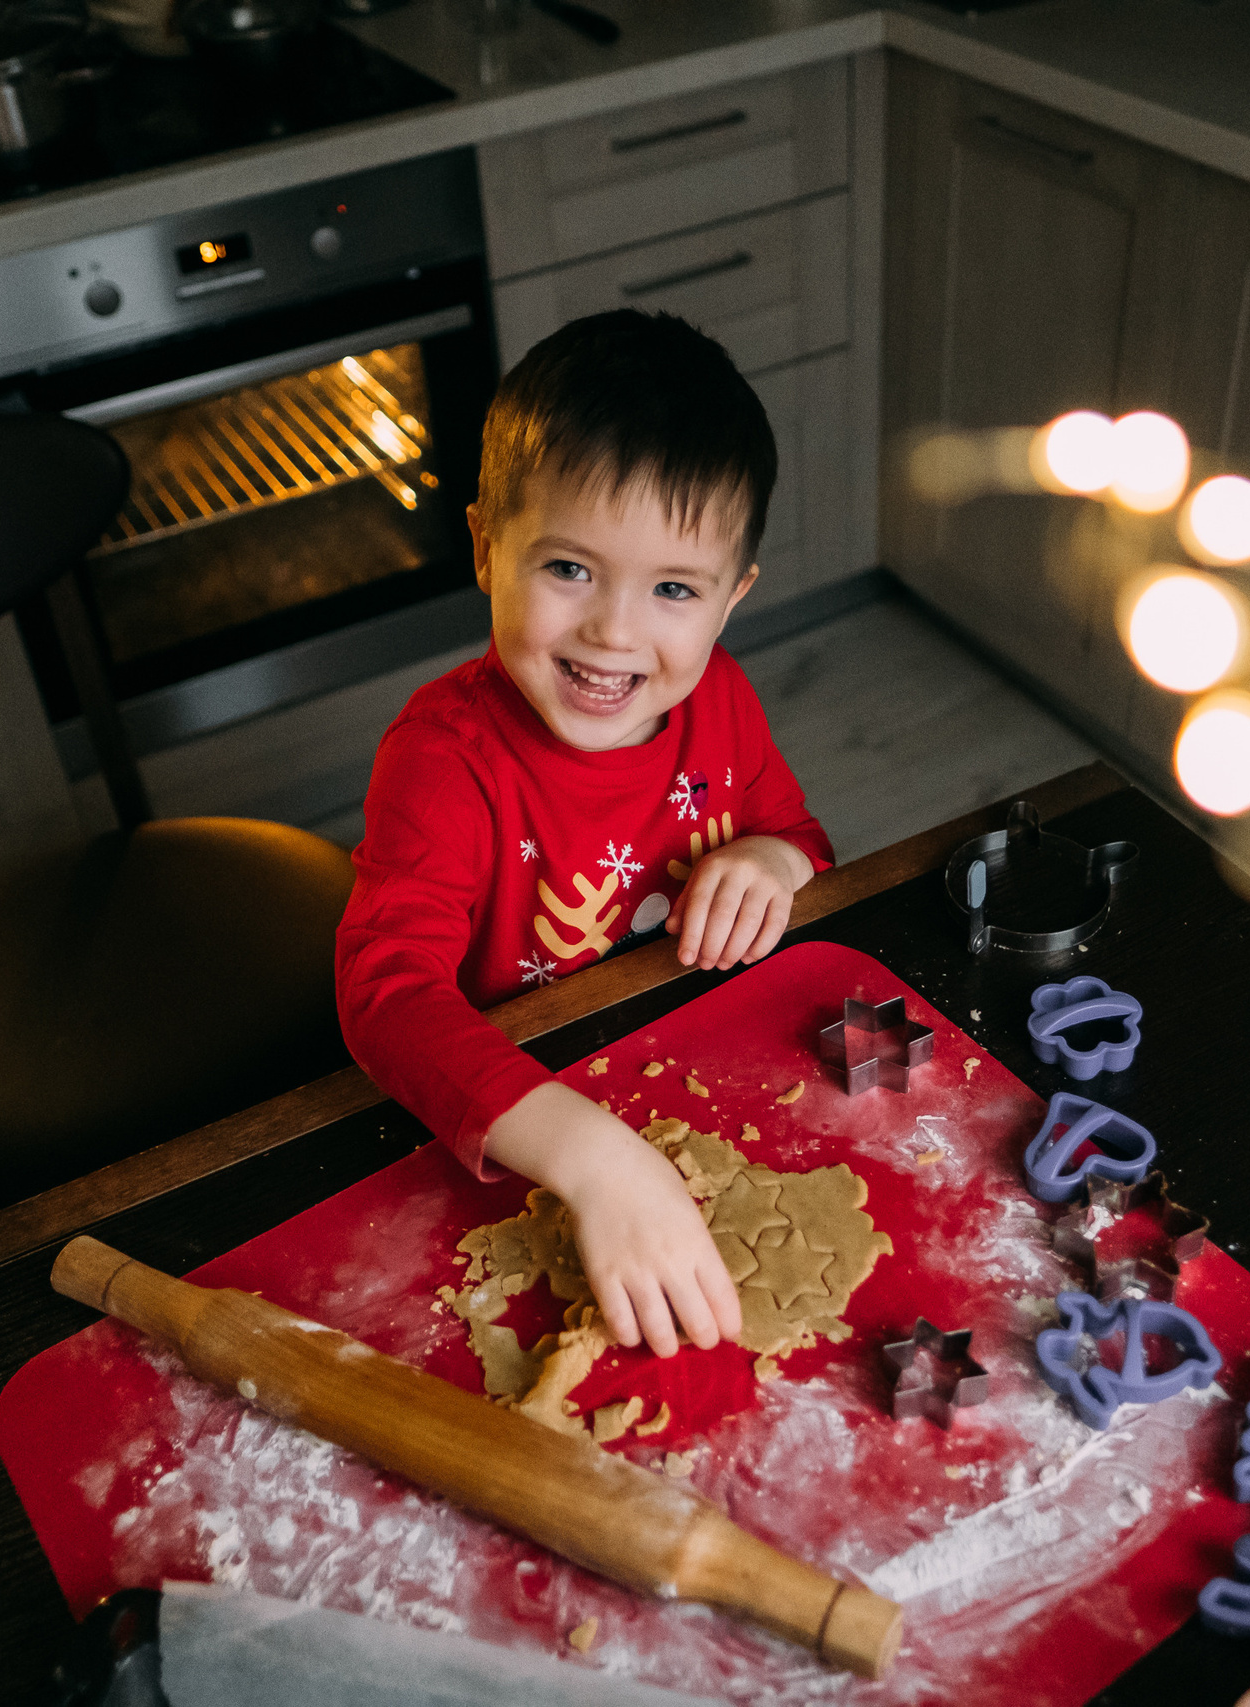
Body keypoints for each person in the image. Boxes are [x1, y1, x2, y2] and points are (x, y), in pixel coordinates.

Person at [335, 310, 833, 1363]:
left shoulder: (723, 705)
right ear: (485, 547)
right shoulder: (441, 760)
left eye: (671, 591)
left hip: (667, 1069)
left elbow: (799, 834)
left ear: (729, 601)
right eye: (569, 570)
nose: (614, 631)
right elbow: (385, 999)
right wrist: (594, 1161)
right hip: (505, 1118)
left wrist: (770, 860)